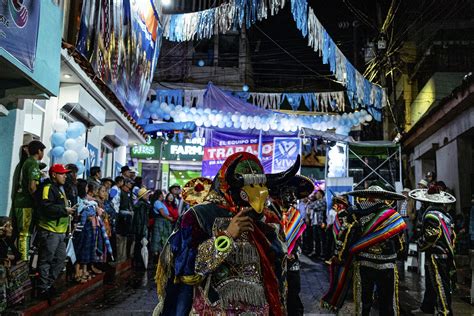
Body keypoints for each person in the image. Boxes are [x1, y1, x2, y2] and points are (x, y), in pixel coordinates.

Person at [154, 152, 299, 315]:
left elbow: (279, 271)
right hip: (214, 308)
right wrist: (227, 237)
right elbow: (186, 270)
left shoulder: (268, 219)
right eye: (250, 185)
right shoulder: (200, 215)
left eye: (261, 184)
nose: (258, 192)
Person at [322, 184, 407, 315]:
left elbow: (345, 235)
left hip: (364, 261)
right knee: (387, 300)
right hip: (387, 262)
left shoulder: (355, 212)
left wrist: (340, 256)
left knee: (364, 300)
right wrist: (398, 252)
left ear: (367, 196)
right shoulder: (392, 215)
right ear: (383, 197)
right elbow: (400, 242)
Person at [268, 175, 314, 316]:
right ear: (279, 193)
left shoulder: (295, 214)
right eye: (289, 193)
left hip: (292, 261)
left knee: (294, 292)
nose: (293, 197)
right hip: (273, 261)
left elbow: (299, 239)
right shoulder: (268, 212)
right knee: (273, 291)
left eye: (295, 193)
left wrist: (295, 254)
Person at [409, 185, 456, 316]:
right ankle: (439, 309)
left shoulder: (431, 215)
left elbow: (432, 235)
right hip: (445, 254)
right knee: (442, 283)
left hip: (436, 255)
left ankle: (444, 312)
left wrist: (420, 243)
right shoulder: (445, 215)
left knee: (440, 284)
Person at [36, 164, 75, 301]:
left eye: (65, 174)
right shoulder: (48, 188)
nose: (65, 176)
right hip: (50, 230)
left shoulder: (60, 189)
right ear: (54, 175)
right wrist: (65, 211)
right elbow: (46, 207)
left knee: (60, 260)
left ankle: (48, 284)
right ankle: (42, 288)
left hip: (60, 231)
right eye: (62, 174)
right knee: (46, 260)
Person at [12, 140, 46, 261]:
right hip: (26, 203)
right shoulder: (33, 164)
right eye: (43, 151)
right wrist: (38, 201)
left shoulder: (26, 162)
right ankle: (24, 262)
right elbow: (32, 187)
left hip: (19, 201)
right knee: (25, 233)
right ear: (39, 151)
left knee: (21, 233)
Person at [325, 194, 348, 263]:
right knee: (332, 243)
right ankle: (331, 257)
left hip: (342, 232)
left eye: (336, 203)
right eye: (334, 203)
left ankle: (339, 257)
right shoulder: (334, 212)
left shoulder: (345, 212)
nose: (334, 205)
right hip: (333, 230)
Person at [131, 188, 151, 269]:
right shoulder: (143, 205)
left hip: (139, 228)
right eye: (146, 194)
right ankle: (141, 264)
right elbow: (141, 219)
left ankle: (139, 263)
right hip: (141, 228)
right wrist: (143, 230)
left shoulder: (140, 204)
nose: (148, 195)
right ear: (142, 196)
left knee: (139, 245)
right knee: (141, 246)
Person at [150, 190, 172, 258]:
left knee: (162, 238)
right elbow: (162, 213)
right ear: (160, 195)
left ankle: (160, 255)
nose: (163, 196)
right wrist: (169, 218)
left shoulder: (160, 202)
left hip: (163, 222)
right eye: (162, 195)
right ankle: (157, 257)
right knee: (158, 238)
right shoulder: (157, 202)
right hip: (160, 222)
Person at [116, 179, 133, 262]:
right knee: (120, 238)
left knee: (124, 238)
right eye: (129, 184)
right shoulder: (120, 192)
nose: (131, 186)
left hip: (127, 219)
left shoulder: (128, 193)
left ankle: (123, 257)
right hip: (120, 218)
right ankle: (119, 257)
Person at [309, 189, 327, 258]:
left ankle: (323, 254)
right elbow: (310, 206)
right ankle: (317, 253)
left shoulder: (324, 201)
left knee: (322, 239)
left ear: (321, 194)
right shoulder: (316, 202)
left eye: (317, 193)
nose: (316, 195)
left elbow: (315, 207)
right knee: (316, 239)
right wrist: (314, 206)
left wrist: (314, 206)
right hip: (314, 223)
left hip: (321, 222)